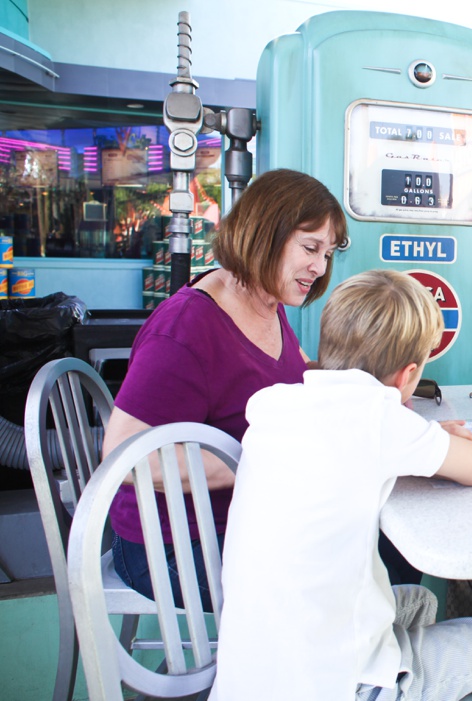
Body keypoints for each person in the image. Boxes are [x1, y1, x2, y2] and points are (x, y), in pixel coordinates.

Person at [210, 269, 472, 700]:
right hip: (336, 686)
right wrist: (438, 440)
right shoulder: (379, 417)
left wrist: (424, 439)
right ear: (407, 375)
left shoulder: (274, 403)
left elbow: (349, 448)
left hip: (248, 679)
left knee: (420, 602)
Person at [103, 168, 348, 607]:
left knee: (369, 541)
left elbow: (294, 374)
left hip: (245, 523)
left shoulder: (265, 300)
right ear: (264, 234)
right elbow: (126, 456)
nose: (320, 267)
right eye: (311, 248)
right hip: (172, 546)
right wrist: (257, 462)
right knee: (338, 585)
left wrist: (377, 398)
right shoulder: (186, 328)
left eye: (327, 254)